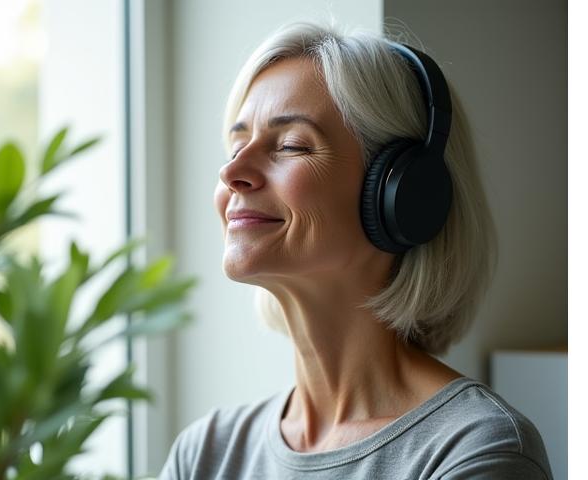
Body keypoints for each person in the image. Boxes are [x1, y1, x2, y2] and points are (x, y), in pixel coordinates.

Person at [159, 22, 552, 479]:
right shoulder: (207, 452)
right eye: (236, 144)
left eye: (290, 145)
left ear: (401, 196)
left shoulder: (475, 449)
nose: (232, 172)